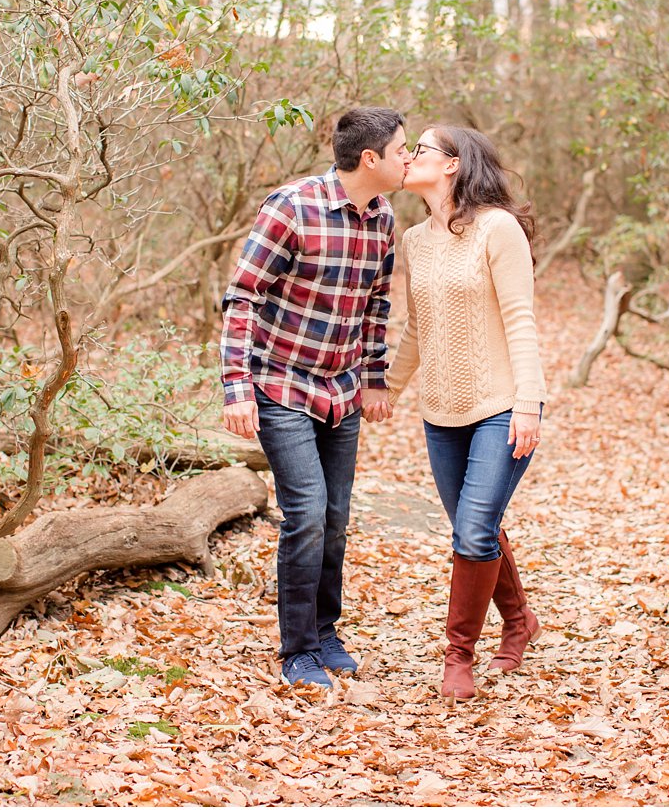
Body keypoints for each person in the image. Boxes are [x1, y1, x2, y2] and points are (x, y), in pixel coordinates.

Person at [220, 106, 409, 688]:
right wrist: (237, 389)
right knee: (304, 513)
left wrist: (375, 377)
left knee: (334, 518)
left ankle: (326, 632)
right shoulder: (292, 207)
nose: (410, 159)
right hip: (282, 384)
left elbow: (377, 303)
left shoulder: (381, 217)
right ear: (370, 158)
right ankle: (297, 649)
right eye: (403, 149)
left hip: (343, 390)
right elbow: (241, 298)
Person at [385, 124, 545, 702]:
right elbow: (417, 329)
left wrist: (527, 403)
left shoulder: (496, 230)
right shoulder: (415, 241)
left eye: (420, 150)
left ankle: (459, 657)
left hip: (501, 405)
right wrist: (389, 390)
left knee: (473, 530)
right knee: (474, 528)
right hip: (441, 411)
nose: (409, 159)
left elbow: (521, 319)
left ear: (452, 165)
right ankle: (520, 619)